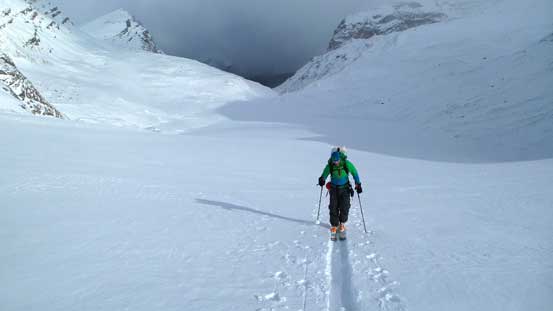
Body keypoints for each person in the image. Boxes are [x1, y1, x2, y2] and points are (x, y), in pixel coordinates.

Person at [318, 146, 362, 240]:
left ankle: (342, 223)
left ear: (339, 159)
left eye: (337, 161)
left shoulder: (346, 163)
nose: (336, 163)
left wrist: (358, 184)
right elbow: (325, 173)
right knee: (333, 206)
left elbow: (354, 172)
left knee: (345, 206)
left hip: (345, 188)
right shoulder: (330, 165)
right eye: (334, 161)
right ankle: (334, 225)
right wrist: (322, 179)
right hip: (333, 189)